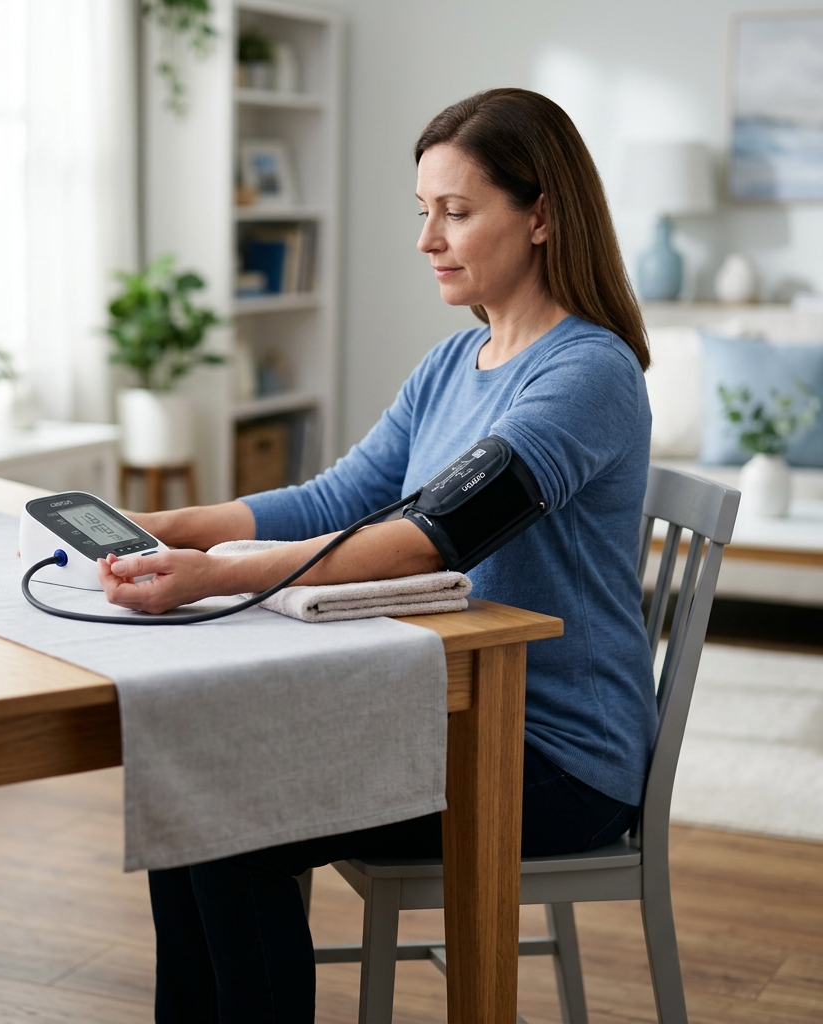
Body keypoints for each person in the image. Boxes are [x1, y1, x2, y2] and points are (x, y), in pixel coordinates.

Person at [99, 88, 657, 1024]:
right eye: (423, 212)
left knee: (229, 813)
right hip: (446, 711)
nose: (427, 239)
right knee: (195, 781)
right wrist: (170, 527)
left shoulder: (589, 373)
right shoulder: (452, 364)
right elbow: (335, 500)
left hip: (556, 758)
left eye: (457, 212)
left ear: (542, 218)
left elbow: (434, 533)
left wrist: (223, 577)